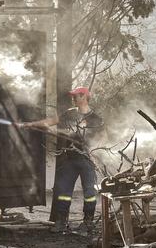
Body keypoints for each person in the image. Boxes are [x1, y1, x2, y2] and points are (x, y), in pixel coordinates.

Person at [19, 87, 104, 234]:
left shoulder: (95, 118)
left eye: (75, 96)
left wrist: (96, 150)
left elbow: (103, 136)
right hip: (70, 159)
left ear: (83, 96)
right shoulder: (70, 113)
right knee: (64, 191)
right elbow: (51, 121)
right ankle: (61, 221)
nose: (73, 98)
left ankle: (88, 222)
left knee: (89, 193)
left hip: (87, 160)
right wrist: (31, 124)